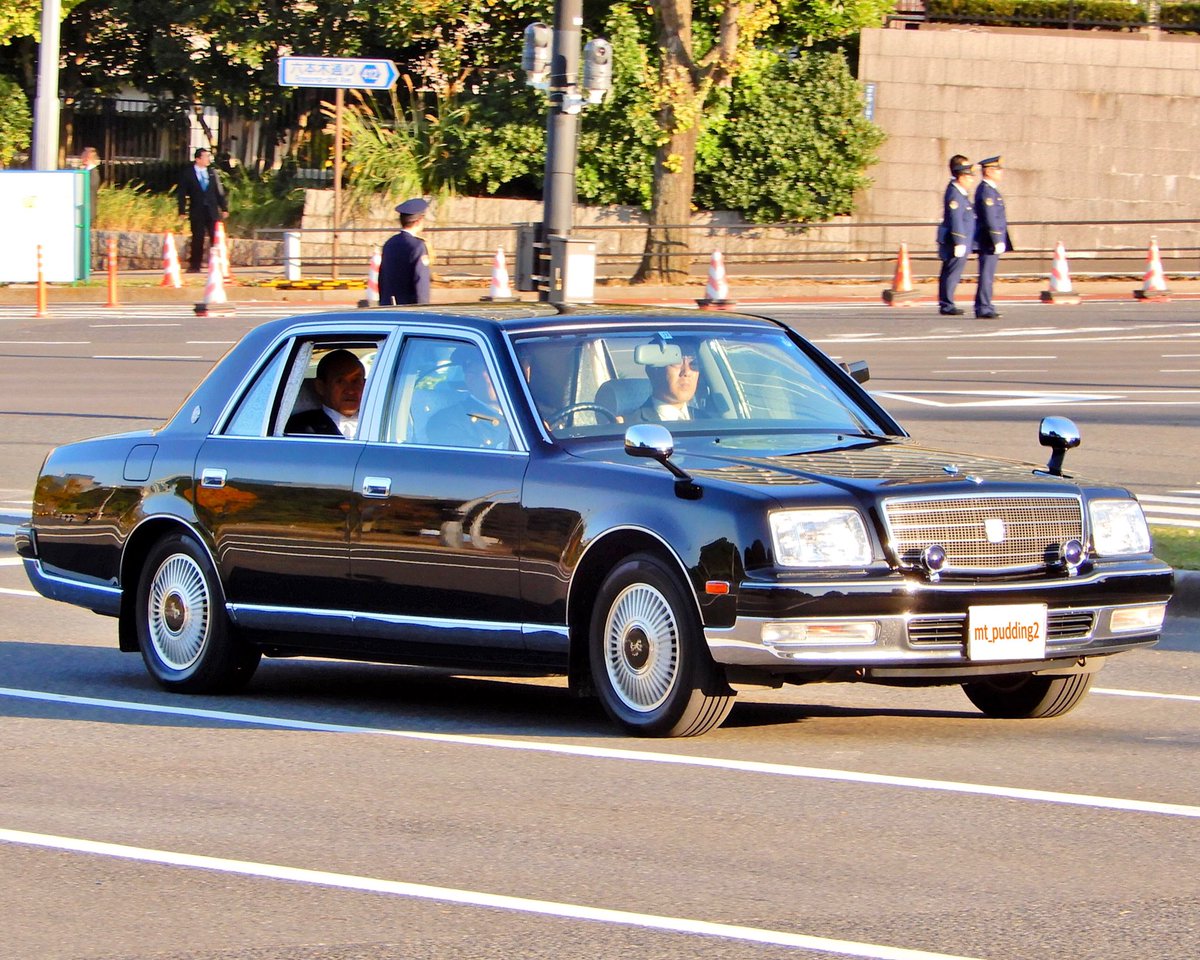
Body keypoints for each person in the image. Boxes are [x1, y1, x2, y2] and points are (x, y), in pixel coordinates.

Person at [424, 347, 510, 449]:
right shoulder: (447, 421)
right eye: (497, 373)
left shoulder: (522, 414)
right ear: (471, 379)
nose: (508, 379)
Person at [285, 350, 366, 438]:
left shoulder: (378, 420)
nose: (351, 390)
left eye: (356, 381)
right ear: (321, 387)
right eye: (340, 381)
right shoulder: (299, 428)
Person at [177, 147, 229, 273]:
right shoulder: (188, 173)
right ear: (198, 159)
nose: (208, 159)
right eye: (205, 156)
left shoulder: (212, 173)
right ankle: (195, 265)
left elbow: (219, 192)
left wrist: (224, 208)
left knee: (215, 238)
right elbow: (182, 193)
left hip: (211, 210)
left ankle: (217, 264)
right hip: (197, 210)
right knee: (197, 238)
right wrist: (182, 211)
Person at [936, 155, 976, 316]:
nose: (971, 180)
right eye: (968, 176)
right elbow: (955, 218)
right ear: (960, 176)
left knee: (951, 272)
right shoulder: (954, 193)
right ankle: (947, 304)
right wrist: (960, 241)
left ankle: (947, 302)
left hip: (961, 239)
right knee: (951, 272)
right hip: (955, 240)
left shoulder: (959, 192)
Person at [973, 155, 1012, 319]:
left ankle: (985, 304)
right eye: (997, 169)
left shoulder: (991, 190)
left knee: (988, 274)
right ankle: (984, 307)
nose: (1001, 172)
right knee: (987, 275)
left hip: (991, 239)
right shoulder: (986, 190)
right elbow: (990, 217)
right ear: (988, 171)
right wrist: (997, 239)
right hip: (988, 239)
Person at [628, 339, 702, 423]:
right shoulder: (631, 427)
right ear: (653, 370)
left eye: (693, 363)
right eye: (676, 362)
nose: (687, 372)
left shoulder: (709, 421)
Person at [378, 197, 432, 305]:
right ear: (419, 221)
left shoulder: (389, 243)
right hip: (409, 309)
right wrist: (424, 307)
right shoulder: (418, 246)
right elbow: (421, 281)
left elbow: (382, 278)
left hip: (388, 305)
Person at [80, 147, 101, 219]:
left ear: (87, 158)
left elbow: (87, 188)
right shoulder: (88, 172)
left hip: (87, 211)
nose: (81, 158)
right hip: (85, 210)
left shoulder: (93, 173)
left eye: (82, 157)